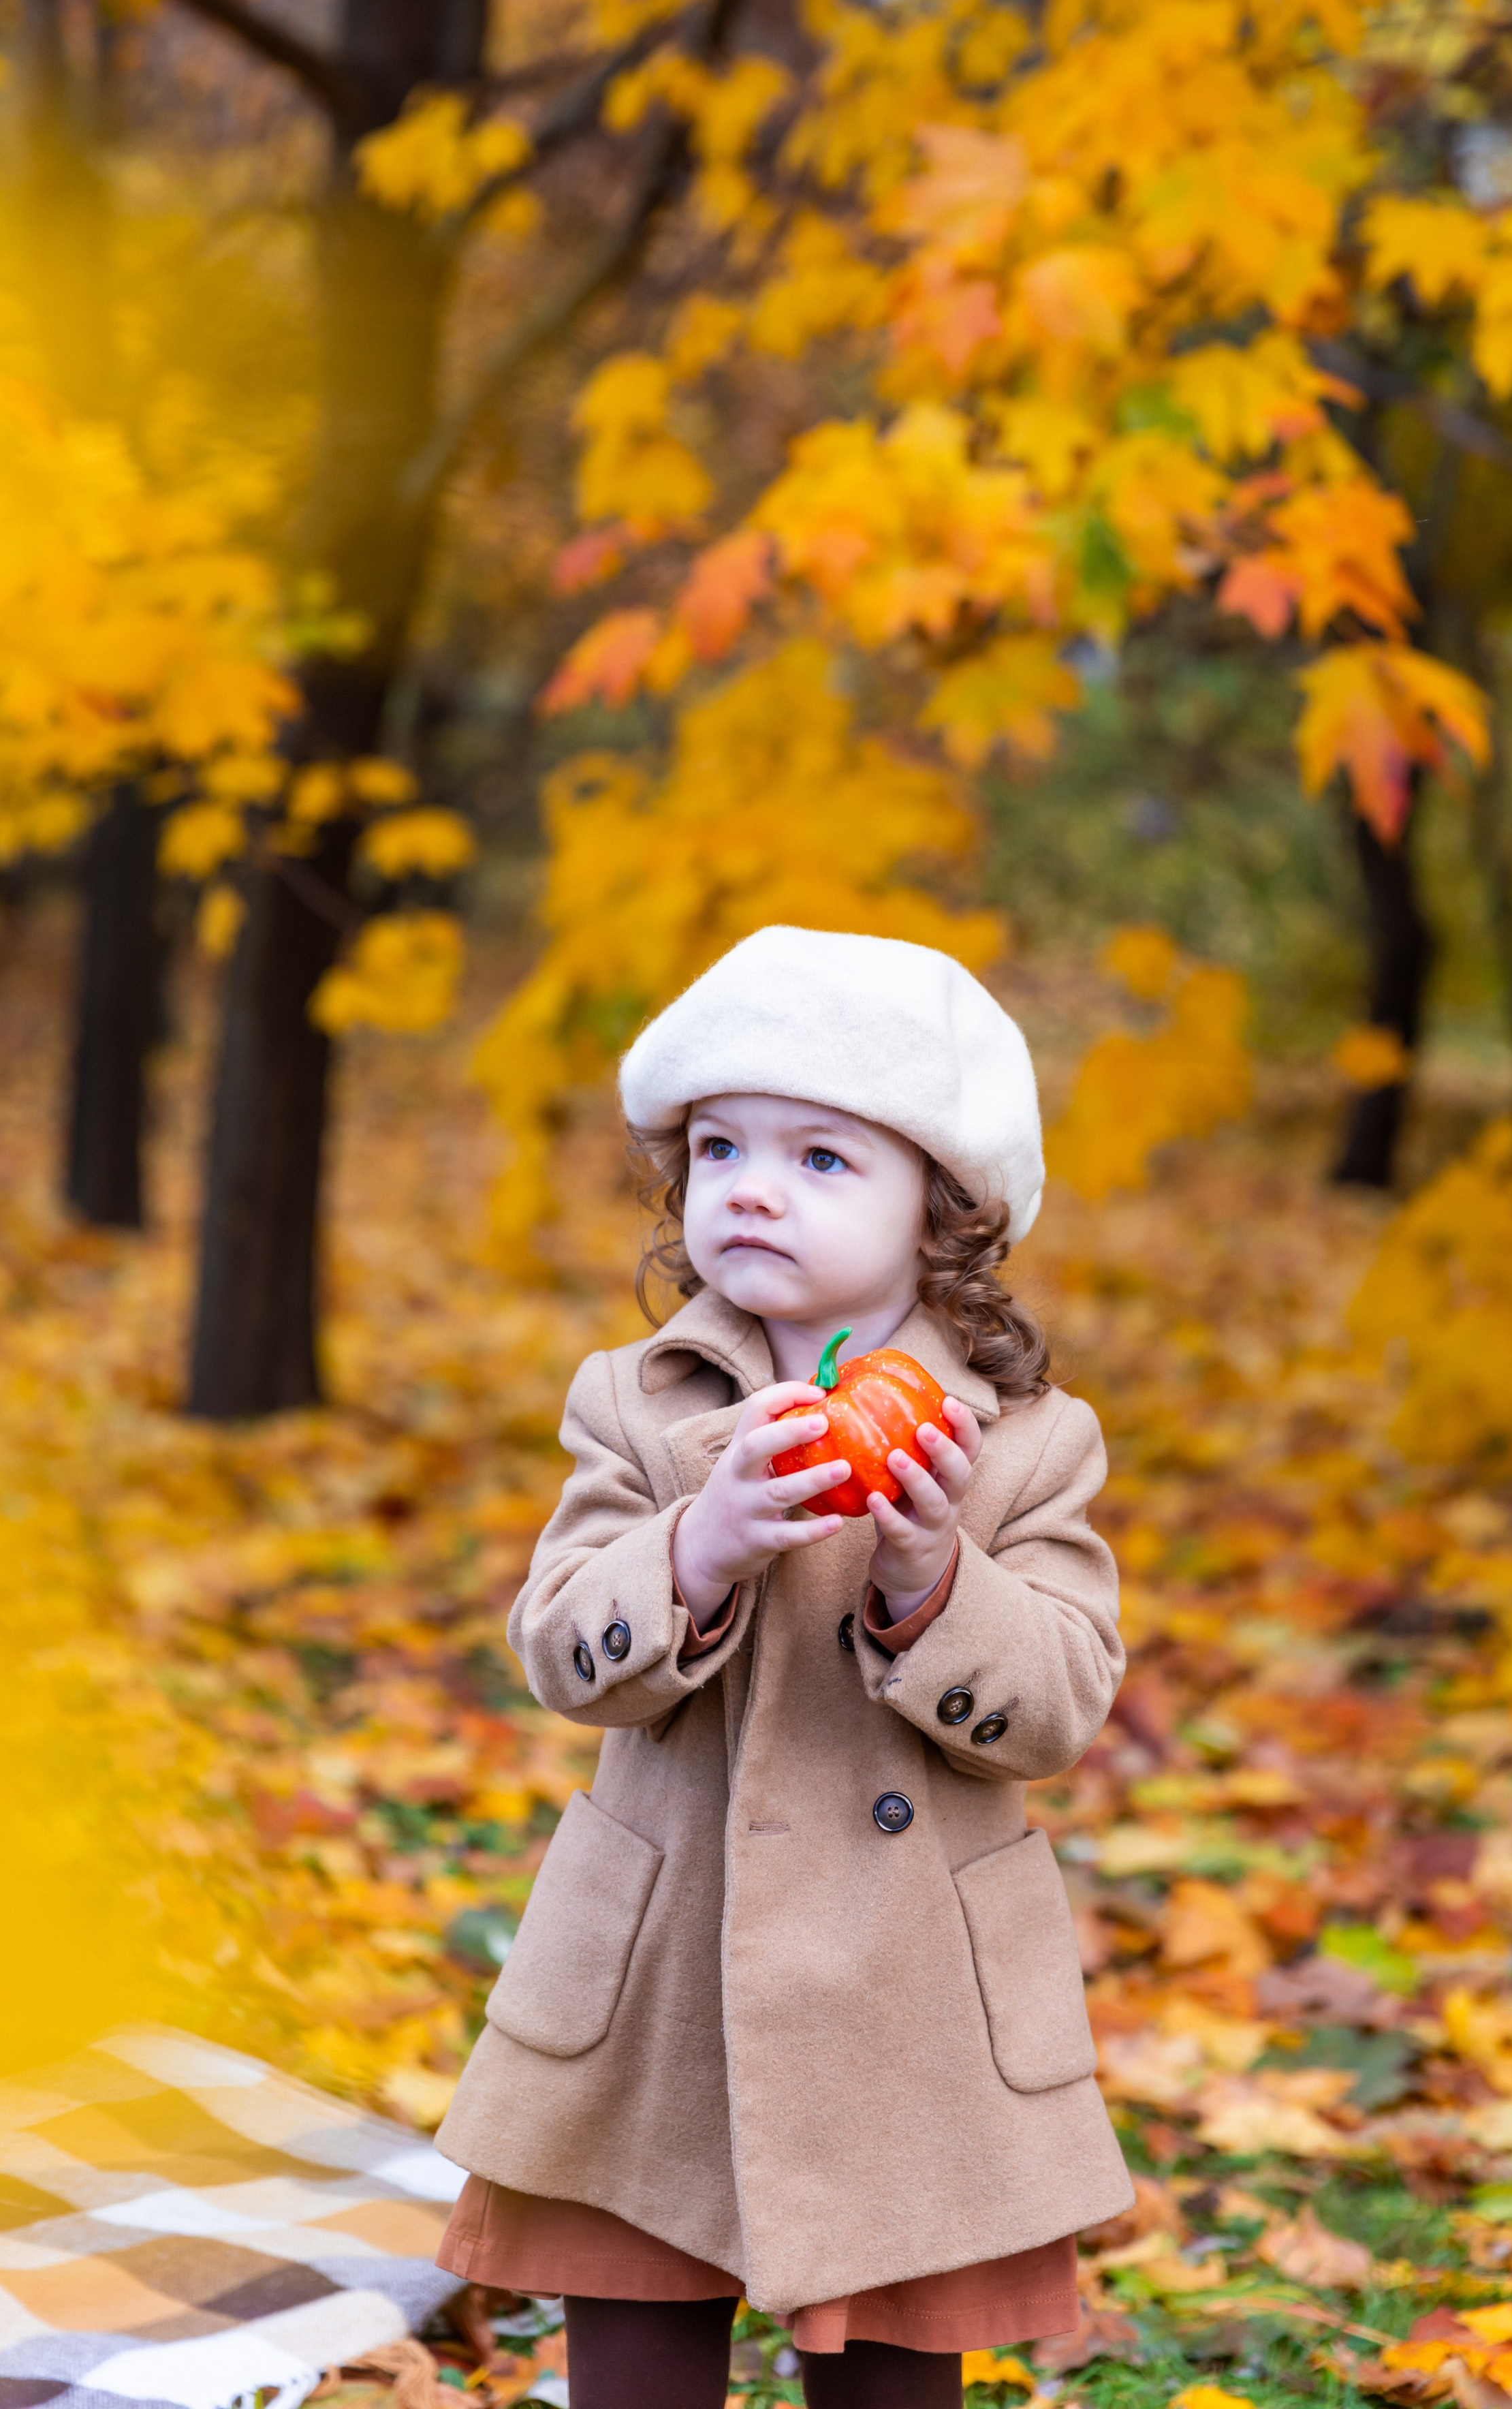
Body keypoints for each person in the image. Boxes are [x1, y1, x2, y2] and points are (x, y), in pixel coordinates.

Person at [437, 927, 1131, 2408]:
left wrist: (929, 1577)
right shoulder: (636, 1403)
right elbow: (563, 1647)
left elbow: (1060, 1701)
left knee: (887, 2371)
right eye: (717, 1147)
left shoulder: (1020, 1440)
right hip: (661, 1970)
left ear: (944, 1212)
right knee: (630, 2339)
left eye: (822, 1158)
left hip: (903, 1990)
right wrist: (697, 1546)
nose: (748, 1185)